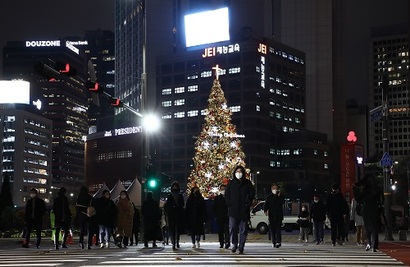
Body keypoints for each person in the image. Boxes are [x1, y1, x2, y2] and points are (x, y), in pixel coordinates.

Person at [225, 165, 255, 254]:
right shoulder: (231, 183)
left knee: (243, 230)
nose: (239, 173)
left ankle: (241, 246)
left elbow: (252, 194)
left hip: (244, 210)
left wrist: (248, 203)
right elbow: (227, 195)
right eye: (237, 171)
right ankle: (234, 244)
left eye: (240, 171)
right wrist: (230, 203)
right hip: (233, 210)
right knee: (233, 227)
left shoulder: (247, 183)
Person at [354, 175, 383, 252]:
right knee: (374, 228)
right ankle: (374, 245)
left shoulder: (364, 190)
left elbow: (358, 199)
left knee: (367, 228)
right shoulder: (376, 189)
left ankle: (369, 243)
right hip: (375, 209)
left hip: (366, 209)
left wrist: (356, 189)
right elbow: (380, 200)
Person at [164, 181, 185, 250]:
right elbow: (167, 205)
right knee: (172, 229)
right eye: (174, 186)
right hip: (172, 214)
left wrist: (178, 207)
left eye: (176, 186)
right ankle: (173, 242)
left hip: (178, 214)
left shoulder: (180, 195)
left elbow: (182, 204)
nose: (175, 187)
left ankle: (177, 241)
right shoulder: (170, 196)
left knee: (177, 229)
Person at [264, 183, 284, 248]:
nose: (274, 190)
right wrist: (265, 210)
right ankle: (273, 241)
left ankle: (278, 241)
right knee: (272, 230)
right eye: (273, 188)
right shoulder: (269, 197)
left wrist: (279, 195)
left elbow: (283, 202)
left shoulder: (280, 196)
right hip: (271, 216)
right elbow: (266, 205)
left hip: (279, 216)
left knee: (278, 229)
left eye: (276, 188)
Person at [213, 184, 230, 249]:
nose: (223, 190)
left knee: (226, 230)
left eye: (224, 189)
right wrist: (216, 215)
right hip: (219, 217)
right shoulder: (217, 198)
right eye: (222, 189)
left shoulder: (228, 197)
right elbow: (214, 207)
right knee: (220, 231)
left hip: (227, 216)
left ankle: (227, 242)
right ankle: (221, 243)